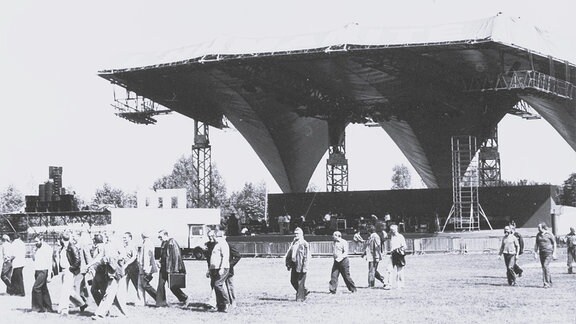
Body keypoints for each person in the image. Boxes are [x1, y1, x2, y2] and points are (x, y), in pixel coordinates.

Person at [90, 233, 129, 320]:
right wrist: (90, 265)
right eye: (106, 235)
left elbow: (123, 255)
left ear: (113, 235)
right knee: (114, 294)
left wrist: (113, 258)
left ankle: (100, 314)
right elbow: (100, 257)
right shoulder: (106, 245)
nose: (106, 236)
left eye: (108, 234)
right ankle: (124, 313)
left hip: (116, 271)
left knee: (109, 293)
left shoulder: (117, 243)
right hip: (109, 272)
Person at [57, 231, 88, 315]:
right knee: (70, 290)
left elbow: (77, 260)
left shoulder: (72, 247)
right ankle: (82, 304)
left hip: (69, 271)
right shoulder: (63, 248)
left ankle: (64, 310)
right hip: (64, 271)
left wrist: (71, 268)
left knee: (65, 290)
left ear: (62, 239)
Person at [156, 230, 187, 307]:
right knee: (160, 285)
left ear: (166, 235)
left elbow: (177, 257)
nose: (159, 238)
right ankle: (161, 303)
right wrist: (159, 261)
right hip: (163, 268)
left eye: (160, 236)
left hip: (170, 268)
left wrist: (175, 269)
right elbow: (163, 255)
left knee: (173, 286)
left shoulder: (172, 242)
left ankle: (184, 298)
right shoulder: (163, 243)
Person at [285, 227, 311, 302]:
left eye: (298, 233)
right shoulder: (294, 242)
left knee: (300, 281)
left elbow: (307, 256)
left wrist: (305, 266)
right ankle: (304, 291)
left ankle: (300, 298)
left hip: (301, 264)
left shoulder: (304, 243)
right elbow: (290, 252)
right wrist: (288, 263)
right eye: (295, 233)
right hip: (294, 264)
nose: (296, 235)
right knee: (293, 280)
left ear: (301, 234)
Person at [31, 234, 54, 313]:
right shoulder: (37, 248)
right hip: (37, 270)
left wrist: (49, 275)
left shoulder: (47, 248)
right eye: (35, 242)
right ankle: (48, 307)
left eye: (37, 241)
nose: (35, 243)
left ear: (42, 240)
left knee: (36, 288)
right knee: (43, 289)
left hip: (44, 270)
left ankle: (38, 308)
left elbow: (50, 262)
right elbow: (34, 259)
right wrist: (33, 252)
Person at [209, 230, 230, 312]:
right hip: (214, 268)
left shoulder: (223, 244)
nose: (214, 238)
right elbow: (213, 258)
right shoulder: (215, 244)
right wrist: (209, 269)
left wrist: (222, 268)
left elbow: (225, 257)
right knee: (215, 286)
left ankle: (226, 302)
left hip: (222, 268)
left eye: (216, 236)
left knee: (218, 285)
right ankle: (220, 305)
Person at [533, 223, 557, 288]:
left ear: (543, 227)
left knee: (545, 266)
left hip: (549, 252)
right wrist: (535, 253)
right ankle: (549, 282)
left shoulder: (549, 234)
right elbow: (536, 244)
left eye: (539, 227)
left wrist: (554, 253)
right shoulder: (538, 235)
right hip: (541, 253)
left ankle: (546, 283)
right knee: (544, 268)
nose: (538, 228)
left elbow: (554, 243)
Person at [138, 232, 157, 305]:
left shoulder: (146, 244)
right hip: (145, 267)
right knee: (143, 284)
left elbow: (146, 256)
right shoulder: (148, 242)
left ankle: (158, 298)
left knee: (145, 285)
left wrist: (145, 268)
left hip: (145, 267)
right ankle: (141, 301)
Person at [122, 232, 141, 304]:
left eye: (125, 238)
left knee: (136, 284)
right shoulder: (124, 246)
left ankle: (141, 300)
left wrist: (126, 264)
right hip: (125, 268)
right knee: (123, 284)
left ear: (130, 238)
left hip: (133, 268)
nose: (124, 239)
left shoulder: (133, 245)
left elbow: (134, 257)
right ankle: (122, 299)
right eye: (123, 238)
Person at [389, 224, 407, 288]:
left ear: (396, 229)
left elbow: (404, 246)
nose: (392, 231)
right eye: (391, 230)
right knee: (389, 269)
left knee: (399, 271)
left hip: (398, 255)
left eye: (393, 230)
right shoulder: (392, 236)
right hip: (392, 255)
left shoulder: (400, 236)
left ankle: (400, 284)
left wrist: (398, 250)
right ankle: (389, 284)